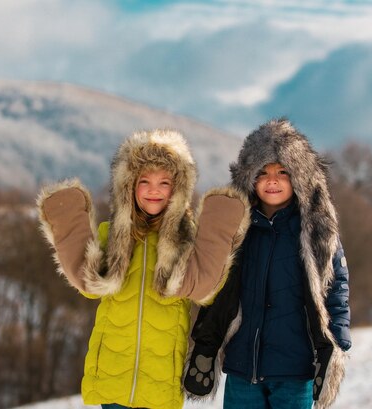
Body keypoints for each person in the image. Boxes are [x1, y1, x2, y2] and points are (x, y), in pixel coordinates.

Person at [37, 129, 250, 409]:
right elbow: (90, 285)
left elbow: (204, 288)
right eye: (144, 181)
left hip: (160, 377)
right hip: (113, 372)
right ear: (129, 186)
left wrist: (221, 226)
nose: (154, 190)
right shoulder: (111, 234)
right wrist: (67, 226)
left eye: (164, 182)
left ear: (178, 189)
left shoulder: (188, 241)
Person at [183, 118, 352, 409]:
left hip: (295, 371)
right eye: (263, 172)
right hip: (242, 367)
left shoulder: (317, 232)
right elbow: (218, 291)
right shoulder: (237, 230)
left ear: (299, 176)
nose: (272, 180)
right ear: (249, 177)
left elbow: (336, 294)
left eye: (283, 172)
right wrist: (206, 345)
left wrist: (334, 347)